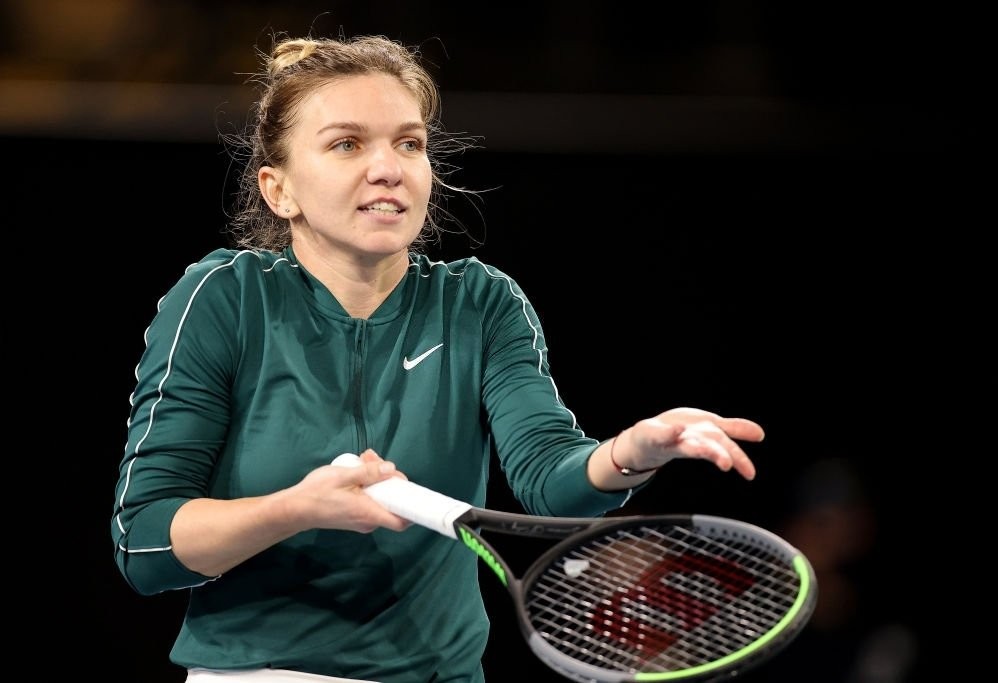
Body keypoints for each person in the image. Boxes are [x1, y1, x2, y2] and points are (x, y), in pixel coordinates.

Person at [110, 32, 766, 683]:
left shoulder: (481, 302)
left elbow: (548, 475)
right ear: (280, 190)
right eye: (347, 144)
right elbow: (146, 542)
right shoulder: (223, 297)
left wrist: (633, 450)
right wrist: (298, 508)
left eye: (409, 143)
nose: (388, 168)